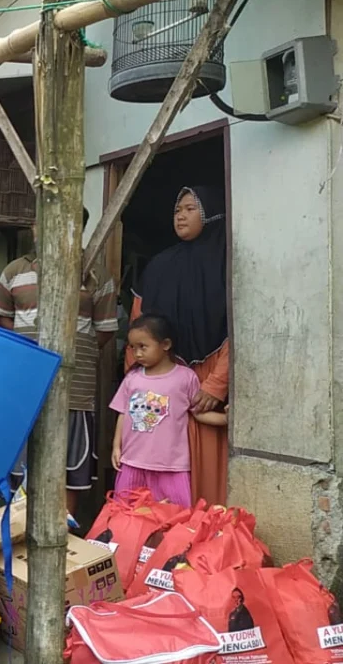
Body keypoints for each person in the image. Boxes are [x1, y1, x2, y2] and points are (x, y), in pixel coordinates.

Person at [0, 209, 116, 514]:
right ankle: (18, 544)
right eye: (39, 222)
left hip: (75, 391)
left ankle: (66, 544)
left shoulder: (96, 275)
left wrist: (69, 354)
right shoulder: (13, 272)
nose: (45, 228)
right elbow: (3, 322)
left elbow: (103, 333)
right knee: (20, 468)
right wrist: (32, 355)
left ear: (80, 228)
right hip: (25, 389)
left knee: (70, 472)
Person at [130, 186, 229, 506]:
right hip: (163, 381)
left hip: (208, 382)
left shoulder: (229, 258)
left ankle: (205, 537)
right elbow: (138, 328)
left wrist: (216, 384)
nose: (181, 216)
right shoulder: (158, 266)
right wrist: (140, 376)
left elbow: (243, 327)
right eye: (176, 210)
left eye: (190, 208)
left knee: (208, 467)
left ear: (212, 213)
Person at [110, 314, 200, 507]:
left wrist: (226, 420)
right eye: (133, 348)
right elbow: (123, 412)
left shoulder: (185, 378)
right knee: (125, 513)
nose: (137, 353)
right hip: (132, 462)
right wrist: (116, 446)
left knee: (175, 517)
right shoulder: (132, 379)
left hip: (171, 466)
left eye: (143, 347)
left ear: (165, 344)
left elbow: (198, 412)